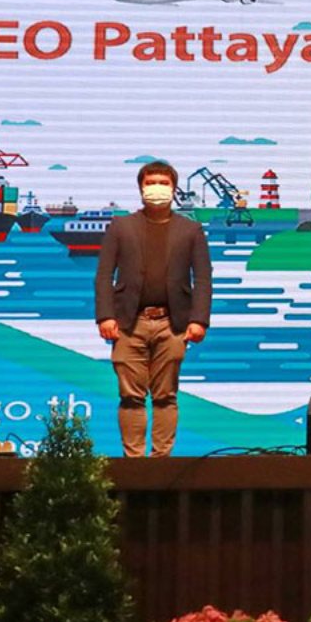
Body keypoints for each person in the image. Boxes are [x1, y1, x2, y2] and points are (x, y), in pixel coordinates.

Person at [95, 161, 211, 457]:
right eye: (150, 183)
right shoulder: (121, 227)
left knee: (166, 396)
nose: (157, 188)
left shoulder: (191, 229)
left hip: (173, 324)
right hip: (128, 324)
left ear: (174, 189)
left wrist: (199, 320)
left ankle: (161, 463)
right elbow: (104, 274)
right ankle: (134, 464)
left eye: (163, 183)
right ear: (140, 188)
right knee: (130, 396)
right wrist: (106, 316)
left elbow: (203, 277)